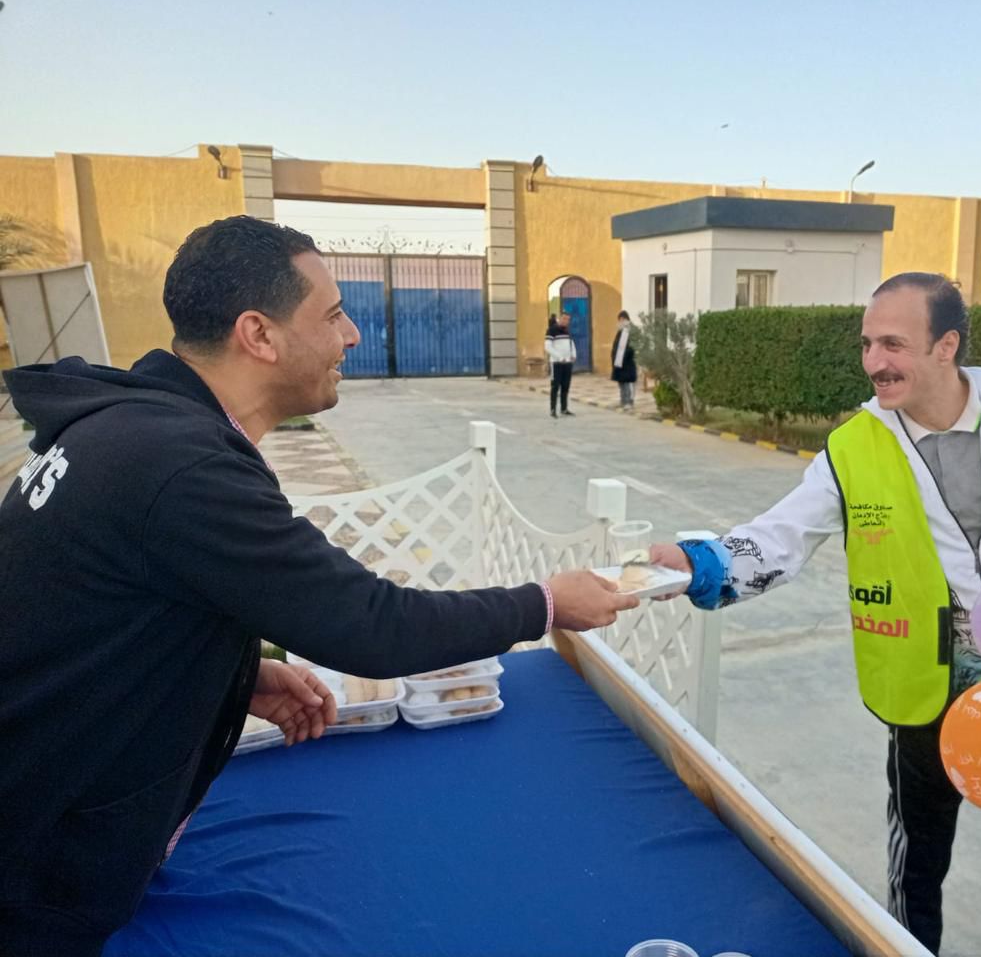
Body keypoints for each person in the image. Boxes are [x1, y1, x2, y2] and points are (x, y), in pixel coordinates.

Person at [0, 216, 636, 956]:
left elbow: (96, 622)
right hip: (34, 870)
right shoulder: (178, 464)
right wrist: (547, 603)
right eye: (332, 315)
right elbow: (372, 625)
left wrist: (234, 676)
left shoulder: (137, 431)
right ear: (259, 335)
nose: (352, 335)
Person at [651, 272, 981, 957]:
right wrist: (702, 564)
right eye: (867, 343)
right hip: (921, 687)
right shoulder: (855, 446)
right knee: (916, 872)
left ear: (946, 346)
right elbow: (782, 538)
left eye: (894, 344)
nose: (875, 361)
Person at [545, 310, 576, 418]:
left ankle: (564, 408)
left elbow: (571, 343)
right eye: (564, 318)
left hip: (567, 363)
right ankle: (553, 409)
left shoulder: (567, 331)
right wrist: (559, 357)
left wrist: (573, 354)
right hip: (556, 363)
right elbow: (548, 347)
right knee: (555, 386)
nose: (565, 321)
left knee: (565, 386)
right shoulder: (552, 330)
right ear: (559, 318)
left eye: (568, 319)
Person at [611, 311, 638, 411]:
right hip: (619, 363)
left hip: (628, 362)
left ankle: (629, 402)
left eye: (623, 319)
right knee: (621, 382)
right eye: (619, 320)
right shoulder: (620, 332)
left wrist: (625, 355)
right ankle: (623, 401)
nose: (621, 322)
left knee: (628, 383)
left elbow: (632, 347)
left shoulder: (631, 331)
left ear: (627, 319)